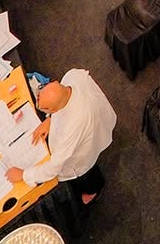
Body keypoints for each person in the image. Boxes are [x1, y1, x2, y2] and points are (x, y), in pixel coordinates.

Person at [7, 69, 116, 204]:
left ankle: (94, 190)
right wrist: (50, 120)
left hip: (81, 153)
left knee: (86, 173)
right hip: (93, 116)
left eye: (44, 108)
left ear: (54, 110)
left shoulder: (73, 127)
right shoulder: (72, 76)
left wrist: (23, 175)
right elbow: (60, 102)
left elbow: (54, 167)